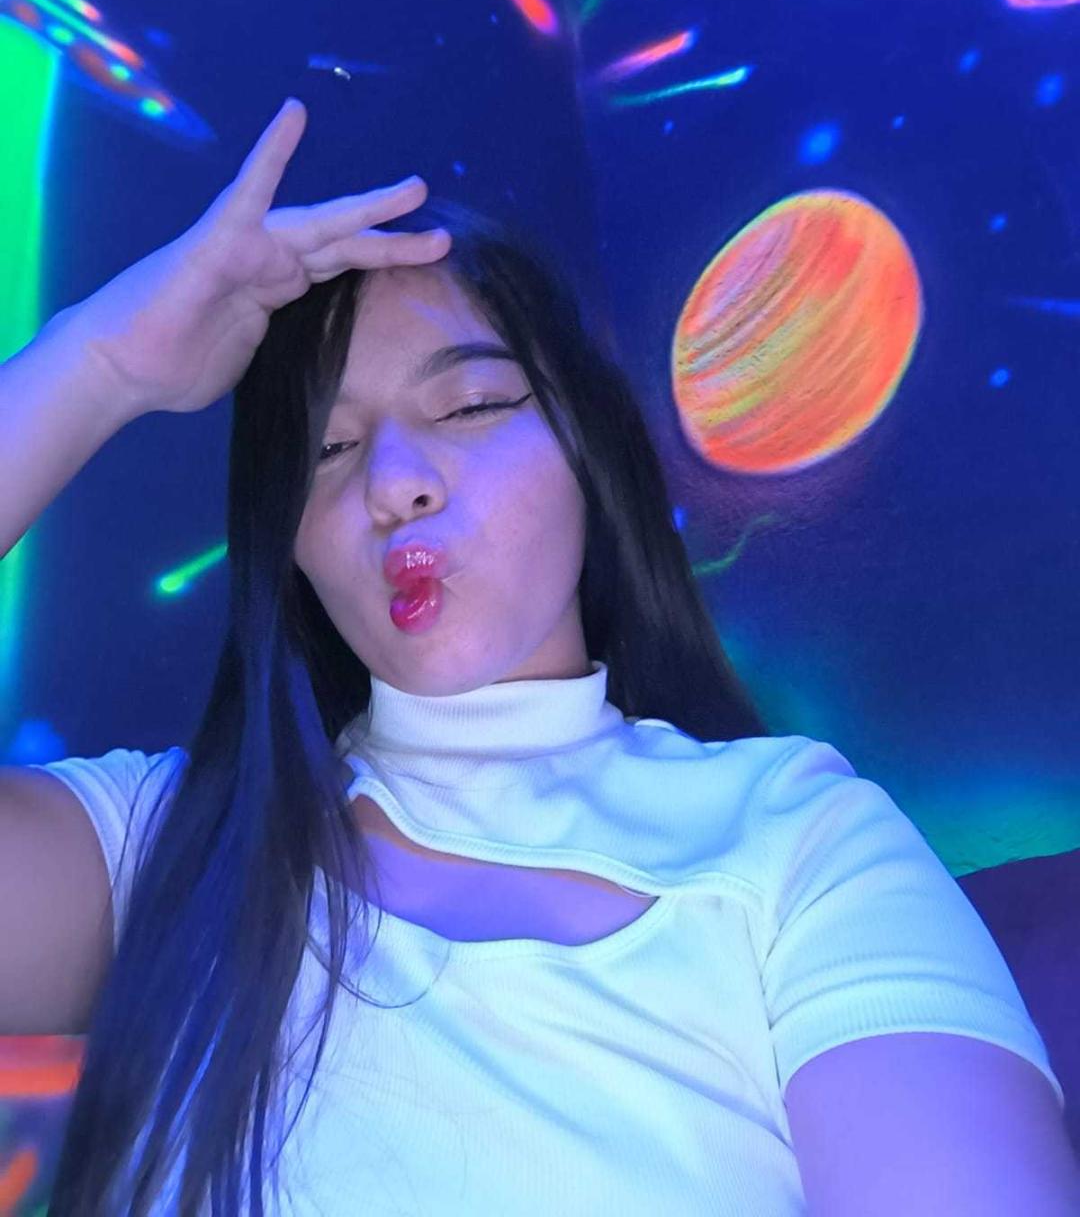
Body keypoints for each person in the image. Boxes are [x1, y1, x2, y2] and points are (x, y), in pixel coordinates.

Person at [0, 100, 1076, 1216]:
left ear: (586, 454)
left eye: (469, 404)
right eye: (330, 446)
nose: (393, 484)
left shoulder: (800, 844)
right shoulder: (171, 848)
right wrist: (102, 362)